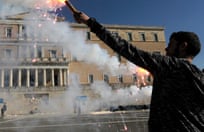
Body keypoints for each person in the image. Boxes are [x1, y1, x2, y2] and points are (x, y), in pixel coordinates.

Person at [71, 10, 204, 131]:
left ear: (183, 46)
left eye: (170, 45)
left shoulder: (170, 66)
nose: (166, 49)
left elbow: (126, 49)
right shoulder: (198, 75)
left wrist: (89, 22)